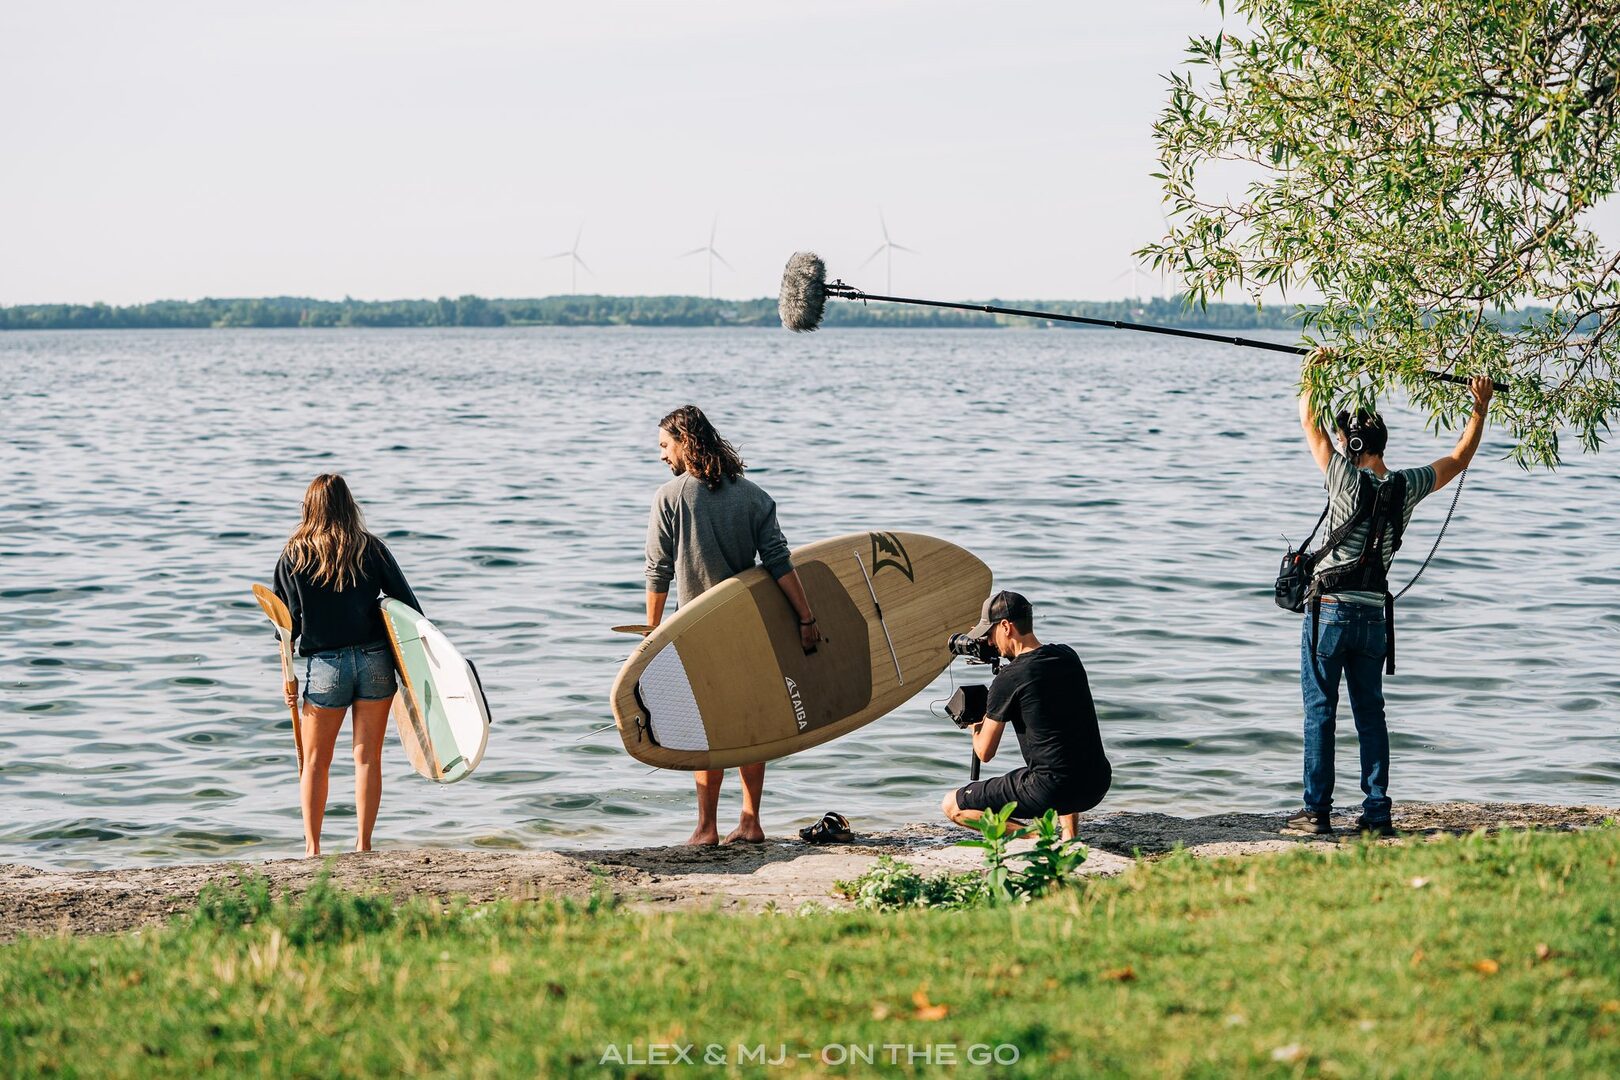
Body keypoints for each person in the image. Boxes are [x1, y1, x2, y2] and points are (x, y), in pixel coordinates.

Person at [1287, 361, 1494, 837]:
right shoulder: (1407, 487)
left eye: (1344, 441)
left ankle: (1316, 813)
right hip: (1374, 619)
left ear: (1353, 445)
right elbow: (1459, 458)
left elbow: (1308, 422)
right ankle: (1376, 814)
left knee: (1320, 710)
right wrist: (1479, 408)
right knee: (1370, 713)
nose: (1339, 445)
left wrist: (1313, 376)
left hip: (1330, 614)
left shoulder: (1342, 477)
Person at [644, 405, 822, 845]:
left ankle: (706, 827)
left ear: (685, 441)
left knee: (709, 727)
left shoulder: (670, 497)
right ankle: (751, 821)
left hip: (697, 633)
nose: (663, 456)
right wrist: (805, 618)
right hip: (751, 629)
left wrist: (651, 635)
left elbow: (658, 571)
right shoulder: (755, 496)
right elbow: (780, 564)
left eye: (665, 446)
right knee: (749, 723)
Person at [274, 474, 421, 857]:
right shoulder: (371, 549)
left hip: (326, 666)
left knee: (315, 762)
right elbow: (408, 607)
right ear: (349, 504)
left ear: (309, 508)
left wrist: (287, 677)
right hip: (375, 660)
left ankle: (312, 848)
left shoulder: (295, 553)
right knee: (368, 757)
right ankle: (363, 845)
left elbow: (285, 625)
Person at [941, 591, 1111, 842]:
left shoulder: (1009, 678)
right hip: (1095, 784)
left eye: (990, 633)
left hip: (1051, 790)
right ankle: (1069, 837)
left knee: (953, 805)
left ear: (1006, 627)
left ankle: (1037, 838)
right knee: (1065, 753)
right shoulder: (1068, 656)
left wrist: (974, 726)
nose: (989, 642)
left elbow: (985, 753)